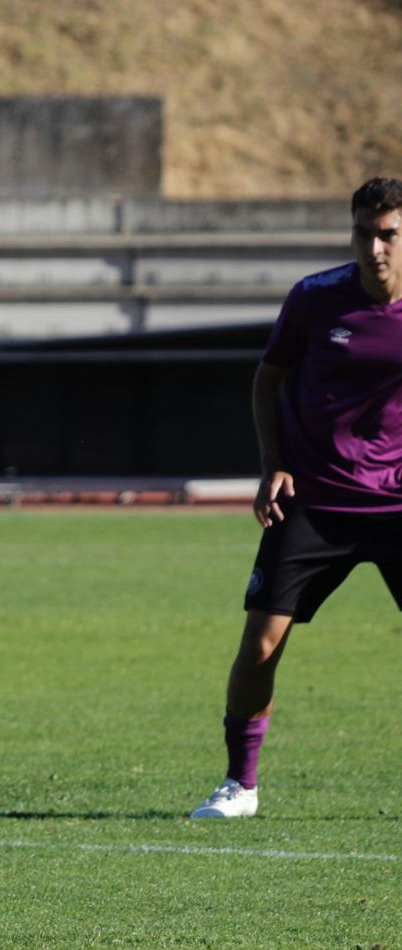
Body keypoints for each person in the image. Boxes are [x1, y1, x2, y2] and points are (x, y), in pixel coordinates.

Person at [189, 176, 402, 819]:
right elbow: (269, 378)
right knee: (259, 646)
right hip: (314, 499)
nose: (374, 248)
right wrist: (273, 464)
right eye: (363, 234)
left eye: (388, 235)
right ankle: (240, 785)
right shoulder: (314, 299)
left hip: (397, 505)